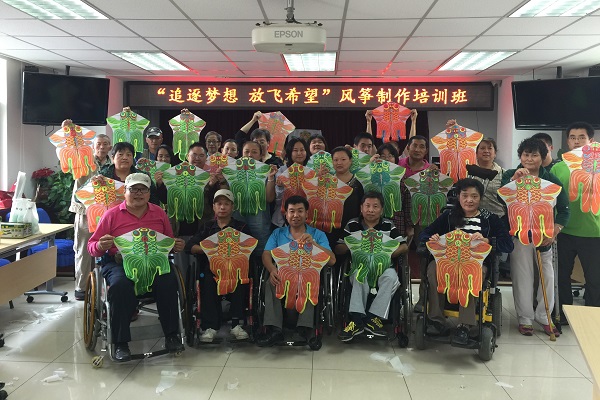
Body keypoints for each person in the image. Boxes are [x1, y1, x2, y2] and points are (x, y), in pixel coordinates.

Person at [87, 173, 186, 362]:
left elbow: (168, 242)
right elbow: (92, 247)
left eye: (143, 189)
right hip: (119, 263)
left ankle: (172, 335)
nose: (138, 193)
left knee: (168, 281)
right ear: (125, 191)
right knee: (120, 286)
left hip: (153, 262)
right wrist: (100, 245)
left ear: (149, 193)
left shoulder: (159, 213)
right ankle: (120, 343)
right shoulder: (111, 215)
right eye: (133, 189)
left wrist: (176, 245)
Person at [420, 178, 513, 344]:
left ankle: (465, 325)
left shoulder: (490, 219)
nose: (469, 200)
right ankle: (436, 320)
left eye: (474, 196)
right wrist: (432, 237)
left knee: (471, 272)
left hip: (476, 263)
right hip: (447, 261)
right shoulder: (449, 216)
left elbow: (508, 244)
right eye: (465, 195)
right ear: (458, 197)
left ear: (480, 198)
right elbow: (425, 234)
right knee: (433, 269)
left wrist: (487, 240)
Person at [502, 138, 569, 336]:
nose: (529, 159)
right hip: (519, 234)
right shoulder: (509, 174)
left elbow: (564, 209)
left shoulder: (551, 180)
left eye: (534, 155)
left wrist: (555, 230)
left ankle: (545, 316)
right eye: (526, 155)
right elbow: (501, 199)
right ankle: (525, 318)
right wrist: (514, 180)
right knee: (522, 275)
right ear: (520, 156)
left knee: (547, 277)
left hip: (544, 236)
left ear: (542, 157)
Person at [257, 196, 336, 347]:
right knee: (270, 283)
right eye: (291, 211)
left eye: (300, 211)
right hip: (283, 275)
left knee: (310, 280)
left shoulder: (318, 234)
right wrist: (272, 269)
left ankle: (305, 328)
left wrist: (314, 244)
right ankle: (275, 330)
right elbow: (266, 254)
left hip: (308, 275)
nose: (295, 215)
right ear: (286, 214)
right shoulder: (278, 233)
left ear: (307, 214)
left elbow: (332, 260)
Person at [337, 192, 408, 341]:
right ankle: (356, 321)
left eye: (375, 206)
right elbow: (338, 248)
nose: (371, 210)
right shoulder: (352, 224)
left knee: (391, 278)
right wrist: (353, 244)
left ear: (381, 210)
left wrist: (390, 253)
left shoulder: (388, 225)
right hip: (360, 266)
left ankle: (373, 318)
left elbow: (403, 246)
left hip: (384, 267)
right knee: (359, 275)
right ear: (361, 208)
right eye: (367, 206)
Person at [184, 189, 251, 342]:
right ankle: (211, 327)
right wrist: (210, 249)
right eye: (219, 204)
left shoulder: (241, 227)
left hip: (235, 268)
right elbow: (190, 246)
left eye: (226, 204)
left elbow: (250, 247)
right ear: (214, 207)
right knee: (207, 280)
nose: (222, 207)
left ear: (232, 207)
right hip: (212, 270)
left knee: (241, 278)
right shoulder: (207, 227)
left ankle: (236, 324)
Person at [551, 121, 600, 319]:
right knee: (561, 276)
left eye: (582, 137)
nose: (577, 141)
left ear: (591, 141)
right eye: (573, 137)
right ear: (567, 141)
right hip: (564, 231)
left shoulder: (598, 166)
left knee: (595, 279)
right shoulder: (558, 168)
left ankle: (592, 318)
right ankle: (563, 315)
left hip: (594, 232)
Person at [70, 133, 112, 301]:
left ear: (110, 147)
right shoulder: (84, 162)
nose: (102, 146)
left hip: (107, 213)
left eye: (105, 144)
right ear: (93, 147)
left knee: (107, 247)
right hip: (85, 211)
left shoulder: (113, 164)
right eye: (98, 144)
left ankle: (105, 287)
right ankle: (81, 288)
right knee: (83, 250)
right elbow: (72, 150)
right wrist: (70, 132)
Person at [329, 147, 365, 249]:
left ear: (350, 161)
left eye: (343, 159)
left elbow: (361, 209)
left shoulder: (357, 184)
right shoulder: (327, 182)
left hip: (351, 229)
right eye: (336, 160)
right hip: (330, 229)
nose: (339, 163)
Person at [376, 143, 413, 237]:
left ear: (396, 159)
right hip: (375, 221)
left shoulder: (402, 177)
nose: (387, 159)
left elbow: (407, 204)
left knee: (397, 245)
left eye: (390, 156)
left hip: (397, 221)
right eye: (383, 156)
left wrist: (409, 226)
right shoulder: (371, 176)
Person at [273, 137, 310, 227]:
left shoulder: (311, 172)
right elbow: (278, 201)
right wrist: (280, 187)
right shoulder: (281, 171)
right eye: (295, 150)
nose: (299, 153)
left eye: (302, 150)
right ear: (289, 152)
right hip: (282, 220)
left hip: (306, 219)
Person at [469, 137, 505, 218]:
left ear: (495, 153)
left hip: (498, 218)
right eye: (482, 148)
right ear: (476, 153)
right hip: (473, 218)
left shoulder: (503, 173)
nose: (486, 151)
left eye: (489, 148)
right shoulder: (468, 171)